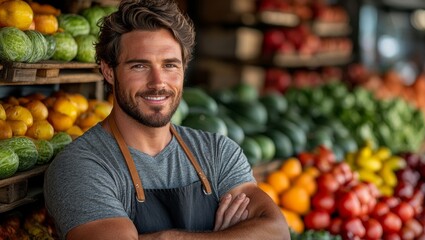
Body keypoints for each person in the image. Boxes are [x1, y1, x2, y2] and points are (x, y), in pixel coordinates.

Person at [43, 0, 290, 239]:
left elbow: (277, 232)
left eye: (170, 65)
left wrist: (169, 238)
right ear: (109, 70)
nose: (158, 82)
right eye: (139, 66)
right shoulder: (81, 166)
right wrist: (223, 236)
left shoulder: (217, 152)